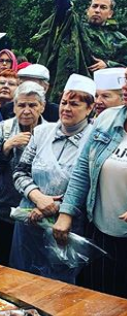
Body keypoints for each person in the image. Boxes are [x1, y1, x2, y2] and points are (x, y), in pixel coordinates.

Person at [10, 74, 95, 282]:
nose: (66, 108)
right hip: (28, 220)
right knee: (21, 280)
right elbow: (20, 171)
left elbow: (90, 185)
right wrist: (37, 197)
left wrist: (55, 207)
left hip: (66, 227)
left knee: (57, 288)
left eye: (74, 104)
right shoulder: (41, 133)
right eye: (64, 102)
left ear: (89, 108)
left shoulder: (94, 140)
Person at [53, 69, 127, 298]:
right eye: (126, 80)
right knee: (97, 299)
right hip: (101, 230)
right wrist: (66, 213)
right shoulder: (107, 119)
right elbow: (83, 170)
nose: (124, 87)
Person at [0, 82, 46, 265]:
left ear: (42, 106)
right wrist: (6, 147)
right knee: (1, 261)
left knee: (32, 261)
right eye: (21, 105)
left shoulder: (50, 132)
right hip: (2, 208)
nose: (26, 111)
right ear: (14, 106)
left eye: (33, 105)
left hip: (36, 210)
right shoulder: (1, 129)